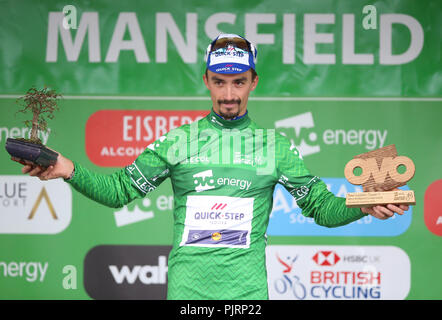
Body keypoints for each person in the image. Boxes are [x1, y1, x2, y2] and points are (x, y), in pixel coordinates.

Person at [13, 33, 409, 300]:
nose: (229, 95)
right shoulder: (178, 141)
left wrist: (362, 203)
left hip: (248, 297)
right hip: (188, 295)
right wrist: (66, 168)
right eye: (220, 82)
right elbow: (119, 191)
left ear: (254, 82)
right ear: (206, 80)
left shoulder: (276, 147)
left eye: (238, 82)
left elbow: (322, 209)